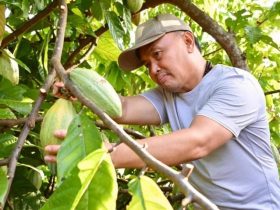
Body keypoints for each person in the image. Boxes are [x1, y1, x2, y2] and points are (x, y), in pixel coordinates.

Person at [45, 14, 280, 209]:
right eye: (147, 64)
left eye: (157, 54)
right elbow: (122, 108)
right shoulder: (168, 94)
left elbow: (197, 142)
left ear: (188, 42)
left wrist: (104, 155)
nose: (154, 70)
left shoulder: (236, 85)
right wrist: (78, 88)